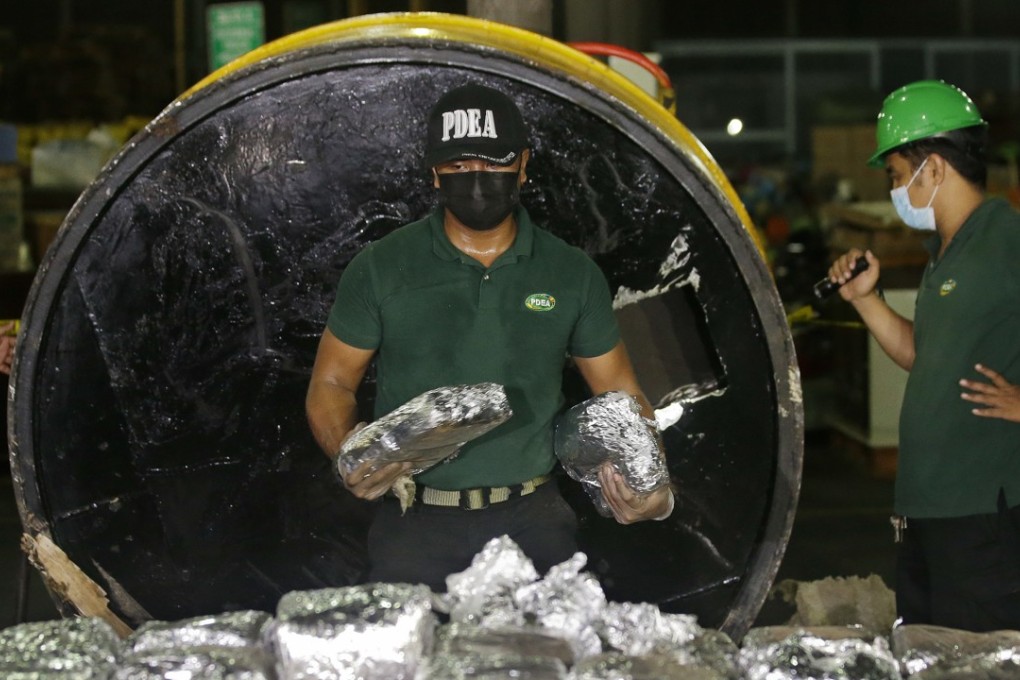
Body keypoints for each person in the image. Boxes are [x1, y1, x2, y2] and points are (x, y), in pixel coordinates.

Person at [306, 83, 673, 591]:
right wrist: (348, 451)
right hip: (415, 524)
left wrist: (652, 487)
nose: (476, 180)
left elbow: (623, 394)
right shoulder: (381, 268)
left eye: (494, 163)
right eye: (458, 167)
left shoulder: (571, 273)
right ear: (435, 171)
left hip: (534, 521)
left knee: (543, 667)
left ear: (522, 165)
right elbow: (330, 383)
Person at [825, 79, 1020, 631]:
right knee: (928, 658)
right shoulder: (948, 254)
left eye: (895, 175)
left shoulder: (1006, 243)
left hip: (983, 517)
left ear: (932, 169)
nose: (894, 189)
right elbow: (923, 354)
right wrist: (866, 302)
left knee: (982, 665)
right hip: (928, 512)